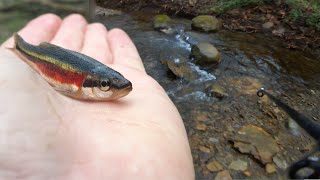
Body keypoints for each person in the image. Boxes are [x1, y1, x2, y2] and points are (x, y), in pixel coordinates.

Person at [0, 14, 194, 179]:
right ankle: (19, 46)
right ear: (87, 84)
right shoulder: (74, 83)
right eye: (104, 85)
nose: (115, 89)